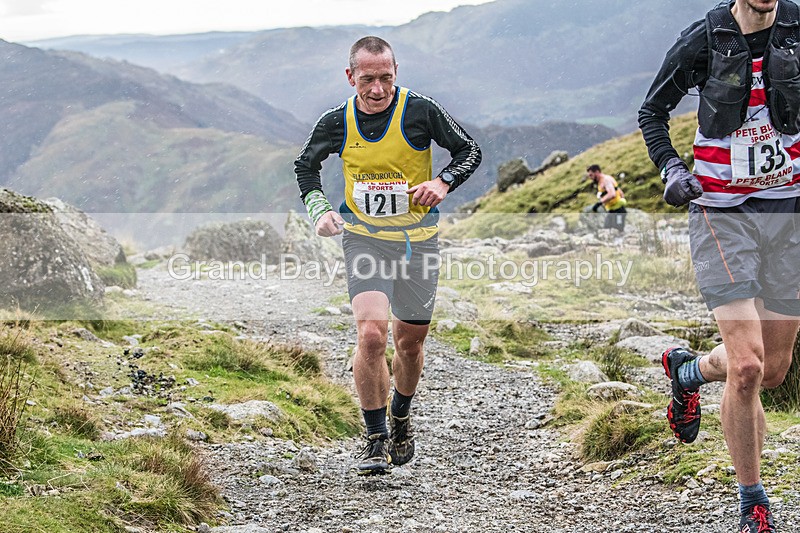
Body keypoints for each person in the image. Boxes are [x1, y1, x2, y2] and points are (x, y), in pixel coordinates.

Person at [639, 0, 800, 530]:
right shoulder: (704, 38)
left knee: (772, 372)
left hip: (788, 215)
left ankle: (689, 372)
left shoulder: (797, 27)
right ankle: (753, 501)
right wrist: (670, 170)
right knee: (748, 366)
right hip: (721, 213)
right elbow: (652, 112)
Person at [294, 36, 481, 475]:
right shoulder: (336, 120)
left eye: (385, 78)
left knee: (409, 345)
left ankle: (401, 415)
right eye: (367, 79)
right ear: (350, 76)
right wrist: (319, 209)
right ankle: (375, 438)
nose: (376, 89)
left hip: (417, 242)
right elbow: (306, 165)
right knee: (373, 335)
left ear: (396, 73)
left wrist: (443, 182)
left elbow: (468, 149)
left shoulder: (420, 111)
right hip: (365, 239)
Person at [586, 164, 627, 231]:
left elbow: (612, 194)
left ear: (597, 172)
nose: (590, 177)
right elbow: (620, 192)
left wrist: (599, 203)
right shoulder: (603, 180)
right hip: (612, 210)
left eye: (591, 175)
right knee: (607, 230)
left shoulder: (605, 180)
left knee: (617, 231)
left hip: (618, 211)